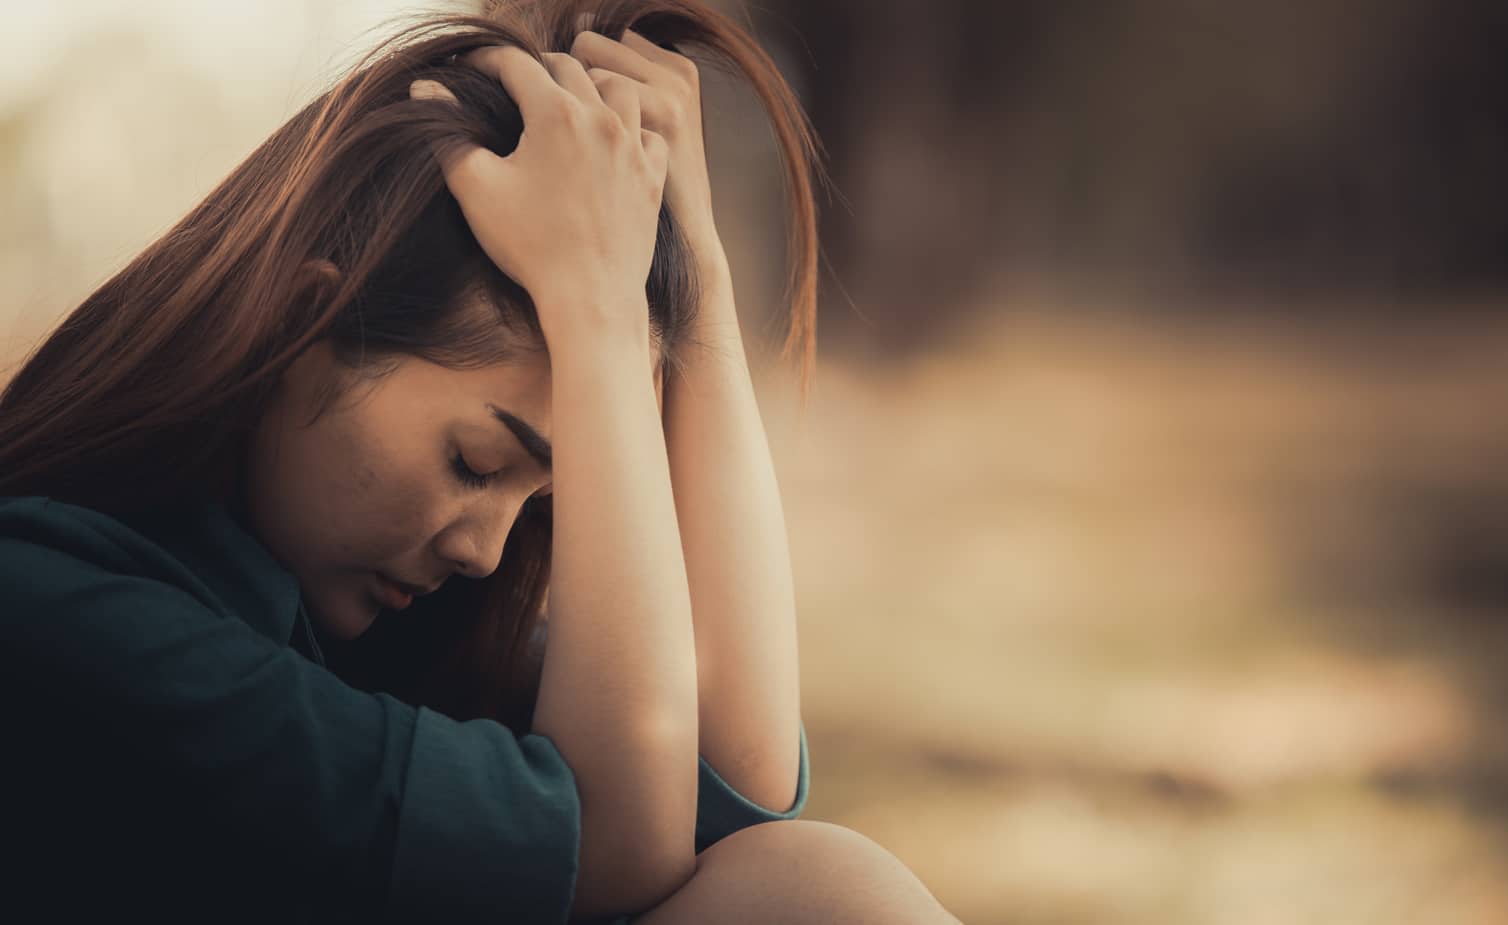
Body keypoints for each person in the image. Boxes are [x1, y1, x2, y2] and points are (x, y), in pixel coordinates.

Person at [0, 1, 962, 921]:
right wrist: (597, 320)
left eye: (540, 500)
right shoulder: (61, 610)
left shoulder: (357, 623)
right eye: (474, 461)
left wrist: (692, 264)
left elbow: (734, 789)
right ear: (303, 324)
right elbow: (618, 842)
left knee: (809, 882)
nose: (488, 555)